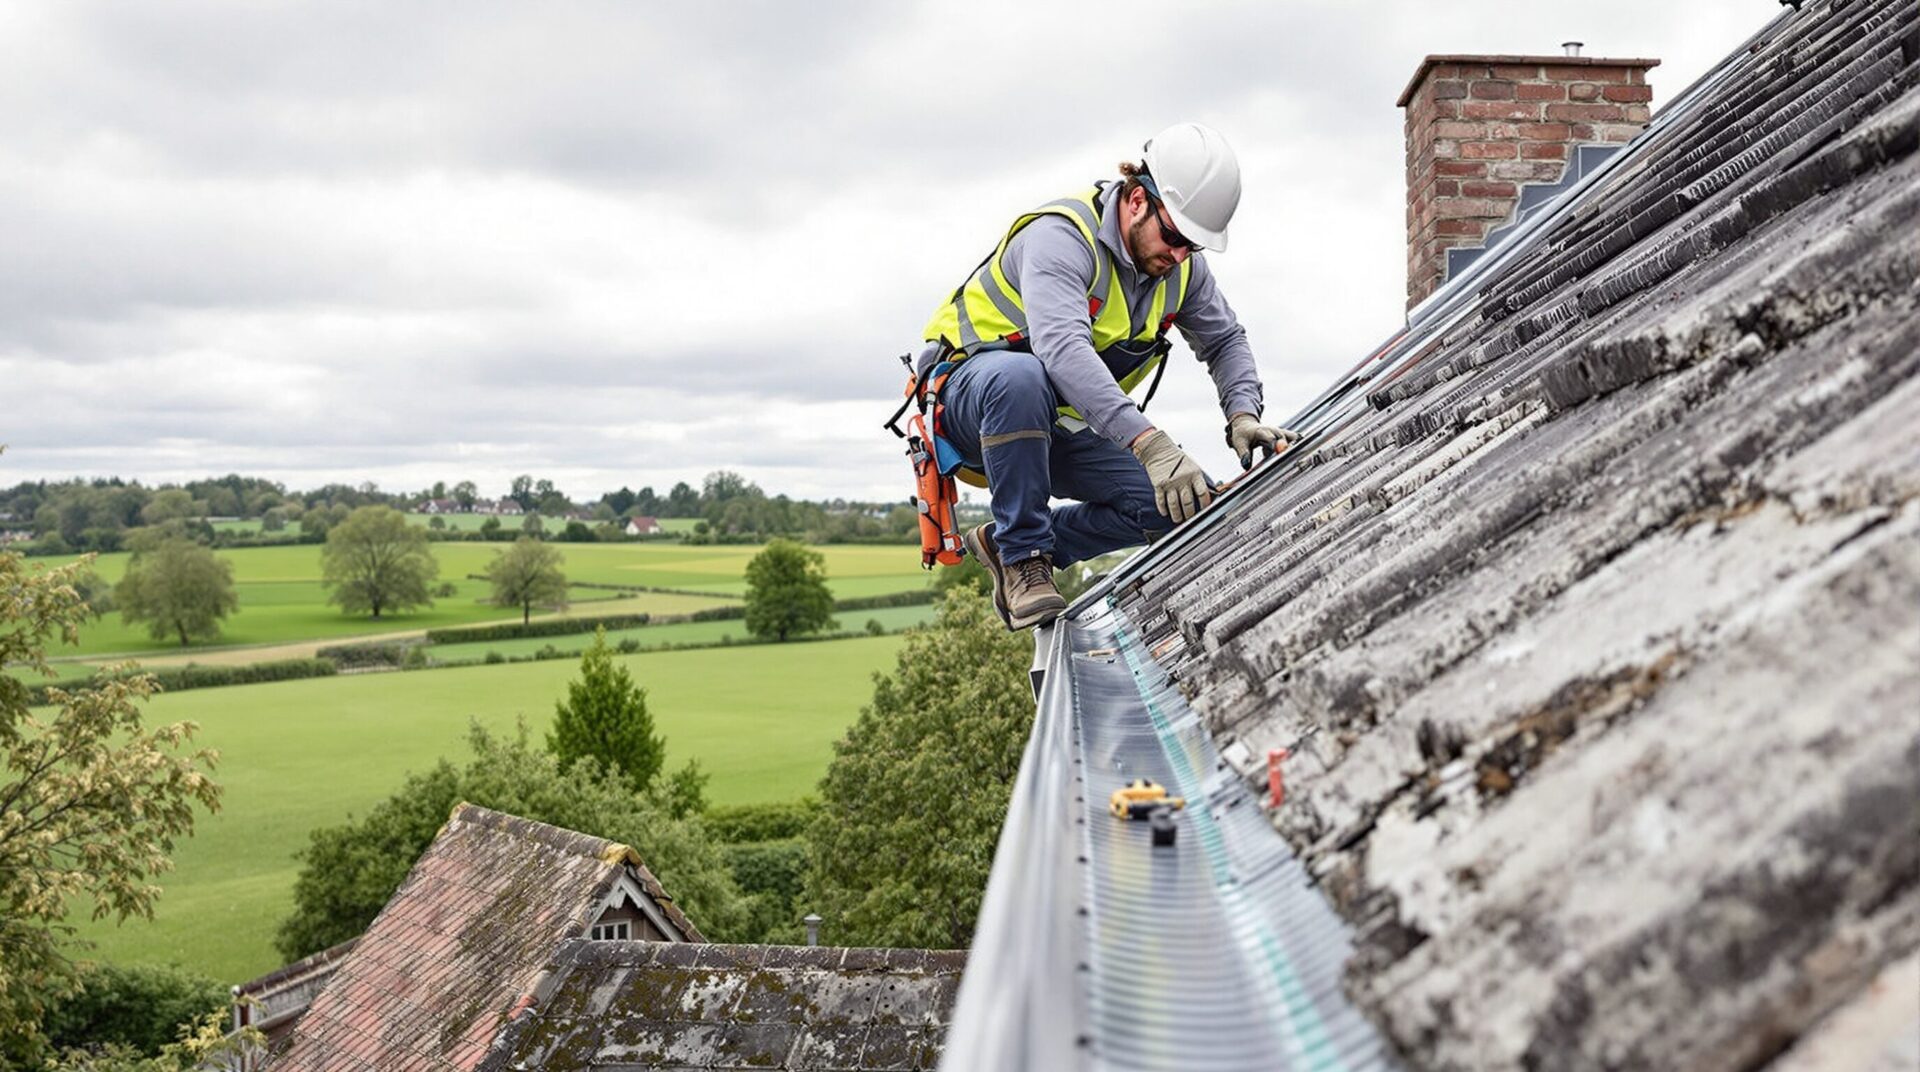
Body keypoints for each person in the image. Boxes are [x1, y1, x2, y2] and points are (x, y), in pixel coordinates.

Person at [913, 122, 1296, 630]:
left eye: (1193, 248)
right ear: (1138, 200)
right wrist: (1151, 445)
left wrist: (1243, 414)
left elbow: (1225, 340)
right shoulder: (1059, 238)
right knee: (1020, 377)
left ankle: (1018, 544)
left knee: (1185, 505)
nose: (1179, 256)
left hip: (1062, 426)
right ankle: (1024, 555)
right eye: (1176, 237)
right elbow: (1063, 349)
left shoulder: (1179, 268)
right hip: (973, 401)